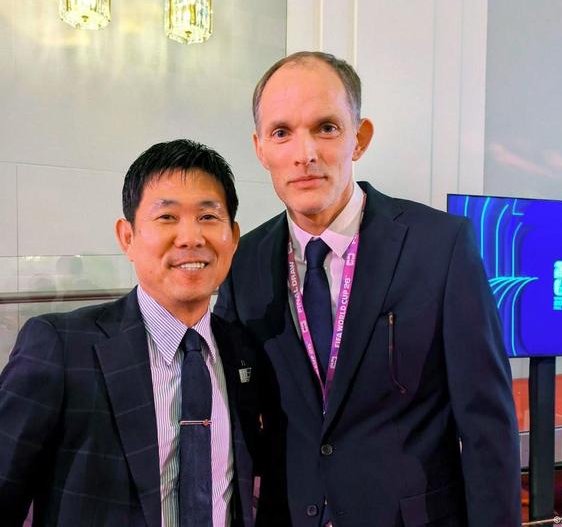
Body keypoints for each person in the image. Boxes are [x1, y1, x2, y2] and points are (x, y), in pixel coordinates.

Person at [215, 51, 521, 526]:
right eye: (281, 132)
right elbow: (236, 419)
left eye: (326, 128)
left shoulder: (440, 247)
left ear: (359, 138)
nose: (304, 154)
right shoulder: (243, 261)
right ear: (260, 148)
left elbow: (487, 427)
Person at [0, 140, 258, 527]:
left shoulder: (241, 351)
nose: (191, 237)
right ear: (127, 237)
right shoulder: (61, 349)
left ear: (233, 237)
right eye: (167, 217)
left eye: (208, 216)